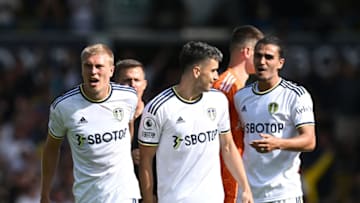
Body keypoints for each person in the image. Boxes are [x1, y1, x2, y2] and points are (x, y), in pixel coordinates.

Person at [138, 41, 253, 203]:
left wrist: (245, 188)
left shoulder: (218, 100)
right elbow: (145, 160)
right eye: (213, 70)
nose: (216, 76)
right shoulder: (159, 108)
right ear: (197, 71)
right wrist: (148, 199)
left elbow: (228, 147)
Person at [40, 43, 141, 203]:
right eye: (88, 66)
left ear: (111, 70)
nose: (93, 71)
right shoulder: (64, 107)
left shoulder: (128, 97)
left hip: (124, 195)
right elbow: (51, 148)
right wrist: (45, 192)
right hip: (87, 196)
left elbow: (129, 127)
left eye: (99, 66)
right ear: (81, 69)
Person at [234, 35, 316, 203]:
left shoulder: (296, 95)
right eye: (258, 55)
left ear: (280, 63)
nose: (262, 61)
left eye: (269, 57)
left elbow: (309, 141)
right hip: (248, 194)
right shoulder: (241, 96)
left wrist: (278, 143)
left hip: (283, 193)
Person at [213, 25, 264, 203]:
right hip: (225, 175)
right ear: (247, 52)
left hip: (241, 173)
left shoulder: (243, 88)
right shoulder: (224, 86)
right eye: (259, 54)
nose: (263, 61)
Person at [113, 59, 157, 202]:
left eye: (136, 80)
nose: (132, 85)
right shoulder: (106, 120)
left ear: (144, 84)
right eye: (127, 80)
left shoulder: (158, 117)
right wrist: (126, 158)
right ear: (116, 85)